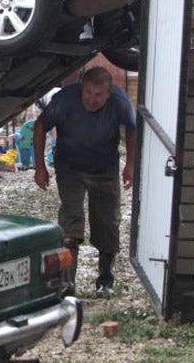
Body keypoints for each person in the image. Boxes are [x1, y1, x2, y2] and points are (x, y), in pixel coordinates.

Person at [33, 67, 136, 297]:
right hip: (70, 168)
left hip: (105, 170)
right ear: (82, 88)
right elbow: (40, 126)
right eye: (87, 92)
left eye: (98, 95)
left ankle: (105, 281)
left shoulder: (120, 101)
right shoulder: (65, 99)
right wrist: (40, 166)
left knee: (107, 224)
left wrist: (130, 165)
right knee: (71, 224)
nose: (91, 99)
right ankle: (67, 282)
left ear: (109, 94)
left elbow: (132, 129)